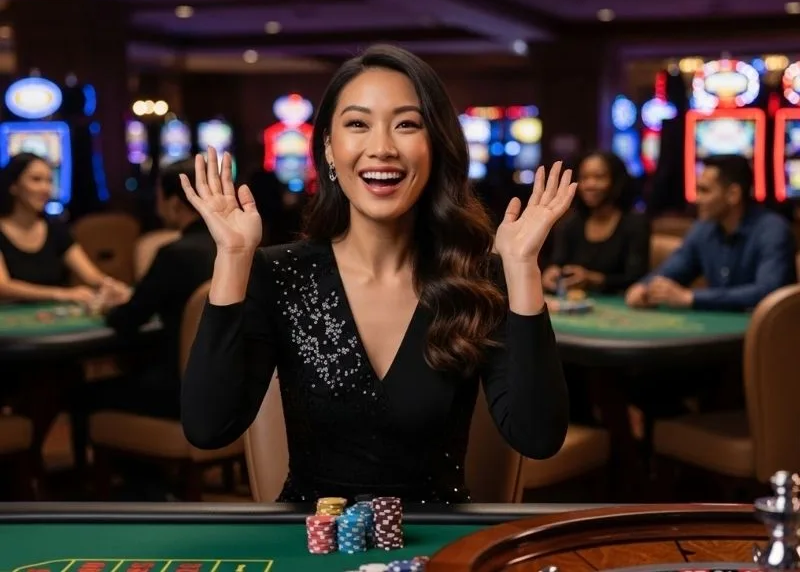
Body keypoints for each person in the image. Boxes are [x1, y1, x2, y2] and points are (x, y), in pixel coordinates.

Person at [179, 44, 574, 503]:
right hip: (313, 546)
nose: (382, 148)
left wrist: (522, 268)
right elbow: (208, 428)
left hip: (440, 547)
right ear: (328, 145)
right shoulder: (278, 274)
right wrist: (232, 256)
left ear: (436, 146)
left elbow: (538, 437)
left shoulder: (477, 277)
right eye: (357, 124)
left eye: (407, 124)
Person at [86, 158, 217, 419]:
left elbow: (128, 319)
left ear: (174, 203)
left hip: (180, 394)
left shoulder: (175, 254)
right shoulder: (237, 250)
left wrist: (106, 307)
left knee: (84, 394)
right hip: (230, 393)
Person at [626, 154, 796, 312]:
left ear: (733, 194)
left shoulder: (772, 230)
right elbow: (673, 270)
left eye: (704, 191)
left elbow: (767, 292)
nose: (696, 199)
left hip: (768, 335)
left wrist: (691, 298)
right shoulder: (703, 230)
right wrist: (644, 287)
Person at [0, 152, 127, 303]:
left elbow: (92, 276)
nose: (46, 189)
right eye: (36, 180)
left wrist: (111, 286)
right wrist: (62, 294)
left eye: (49, 181)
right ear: (13, 186)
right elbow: (3, 287)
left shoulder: (55, 229)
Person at [542, 151, 650, 294]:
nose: (590, 184)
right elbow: (557, 263)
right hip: (575, 305)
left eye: (599, 177)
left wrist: (592, 278)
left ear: (616, 180)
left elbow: (637, 279)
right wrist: (551, 274)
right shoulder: (569, 225)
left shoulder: (635, 224)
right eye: (584, 177)